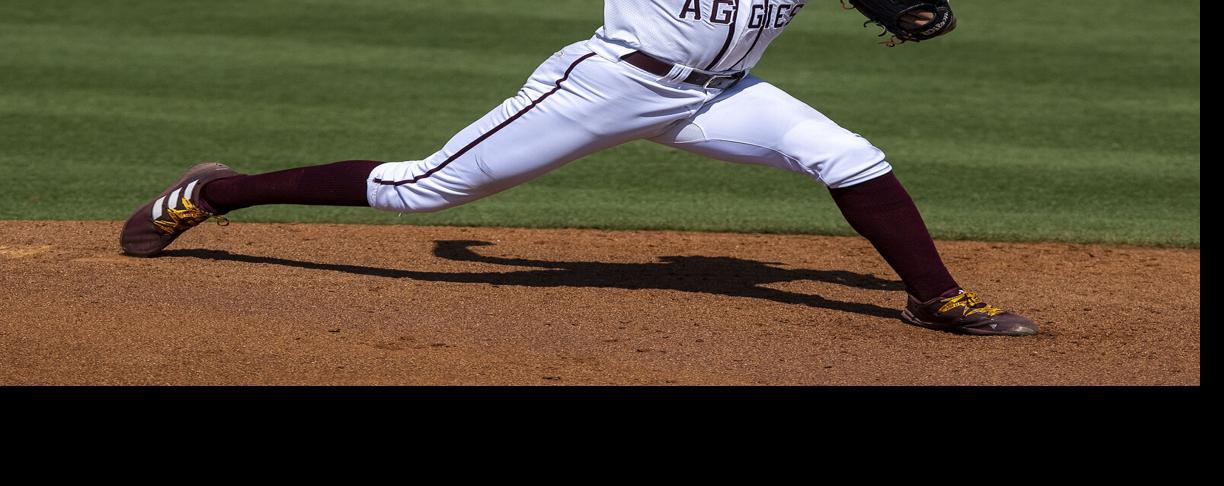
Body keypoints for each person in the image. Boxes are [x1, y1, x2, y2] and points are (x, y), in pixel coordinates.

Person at [120, 1, 1040, 336]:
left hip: (722, 93)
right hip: (606, 83)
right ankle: (210, 192)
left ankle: (932, 296)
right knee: (420, 187)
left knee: (849, 156)